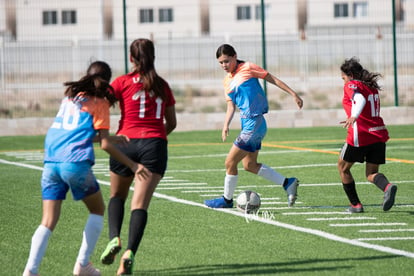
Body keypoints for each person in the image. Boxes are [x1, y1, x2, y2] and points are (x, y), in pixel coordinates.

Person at [22, 61, 148, 276]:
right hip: (74, 163)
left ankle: (30, 271)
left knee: (48, 220)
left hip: (51, 161)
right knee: (98, 210)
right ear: (107, 82)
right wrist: (133, 164)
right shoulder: (101, 102)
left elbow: (75, 132)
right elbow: (104, 145)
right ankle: (82, 265)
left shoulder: (70, 97)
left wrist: (111, 137)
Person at [99, 38, 177, 275]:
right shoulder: (162, 85)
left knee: (116, 196)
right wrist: (153, 139)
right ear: (153, 57)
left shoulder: (121, 82)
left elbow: (102, 104)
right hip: (153, 145)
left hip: (125, 143)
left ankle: (114, 238)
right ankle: (129, 253)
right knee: (139, 205)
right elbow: (171, 123)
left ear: (131, 58)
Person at [204, 44, 303, 209]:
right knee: (249, 165)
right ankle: (288, 183)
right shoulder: (227, 81)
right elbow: (231, 106)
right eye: (220, 63)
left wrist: (293, 94)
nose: (224, 65)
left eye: (226, 61)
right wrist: (225, 125)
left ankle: (227, 200)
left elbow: (272, 79)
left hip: (254, 123)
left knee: (230, 162)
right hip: (249, 124)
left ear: (235, 56)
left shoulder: (248, 68)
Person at [338, 57, 397, 213]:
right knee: (371, 173)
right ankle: (387, 186)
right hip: (378, 133)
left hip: (361, 134)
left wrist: (354, 116)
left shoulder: (353, 84)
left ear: (350, 74)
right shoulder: (371, 87)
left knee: (343, 168)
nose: (343, 81)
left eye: (343, 77)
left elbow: (359, 99)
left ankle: (356, 205)